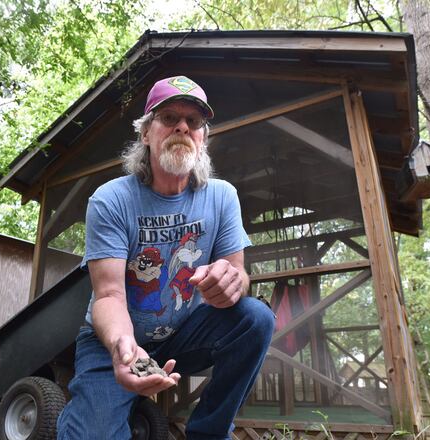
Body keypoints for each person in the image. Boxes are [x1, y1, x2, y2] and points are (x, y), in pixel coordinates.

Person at [56, 76, 275, 440]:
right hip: (114, 339)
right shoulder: (110, 200)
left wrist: (232, 282)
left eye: (194, 121)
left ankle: (208, 434)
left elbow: (238, 272)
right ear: (146, 133)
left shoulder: (222, 197)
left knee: (255, 317)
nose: (182, 127)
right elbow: (108, 296)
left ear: (203, 137)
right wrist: (124, 348)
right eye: (169, 117)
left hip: (185, 334)